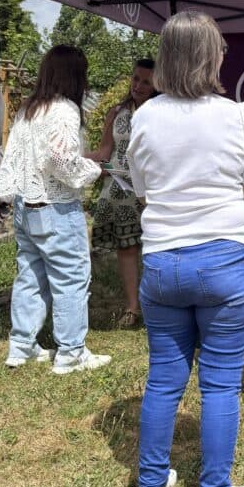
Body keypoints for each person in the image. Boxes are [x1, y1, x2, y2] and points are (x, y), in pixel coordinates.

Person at [126, 11, 244, 487]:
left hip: (162, 259)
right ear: (212, 56)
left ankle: (150, 483)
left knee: (163, 379)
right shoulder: (238, 115)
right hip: (226, 258)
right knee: (221, 384)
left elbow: (142, 191)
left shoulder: (144, 116)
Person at [0, 45, 111, 374]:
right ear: (75, 76)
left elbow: (15, 157)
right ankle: (71, 352)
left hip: (25, 206)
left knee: (30, 276)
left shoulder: (30, 109)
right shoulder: (64, 111)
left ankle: (22, 346)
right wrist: (92, 171)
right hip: (56, 207)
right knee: (71, 278)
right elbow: (60, 160)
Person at [86, 58, 158, 328]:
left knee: (154, 247)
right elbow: (105, 152)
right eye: (136, 78)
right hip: (119, 191)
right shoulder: (116, 112)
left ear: (157, 85)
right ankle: (132, 307)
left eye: (146, 81)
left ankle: (157, 304)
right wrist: (77, 159)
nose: (138, 85)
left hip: (152, 189)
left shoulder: (161, 111)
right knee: (127, 249)